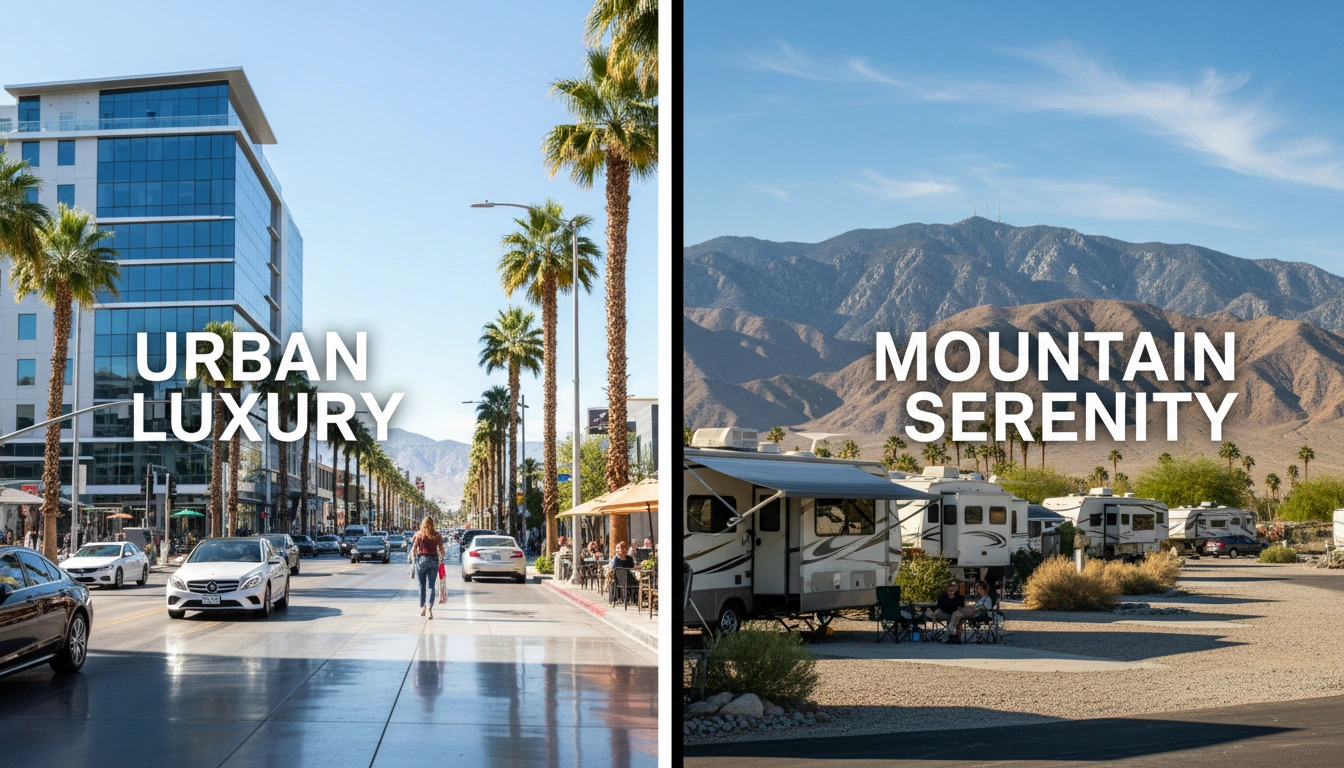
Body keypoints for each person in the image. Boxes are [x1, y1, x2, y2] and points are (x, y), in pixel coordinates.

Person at [410, 516, 445, 619]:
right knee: (431, 586)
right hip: (433, 561)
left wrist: (413, 560)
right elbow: (442, 550)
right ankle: (430, 608)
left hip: (421, 561)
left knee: (421, 585)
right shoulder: (437, 535)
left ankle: (423, 607)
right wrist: (441, 560)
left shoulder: (418, 535)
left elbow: (414, 549)